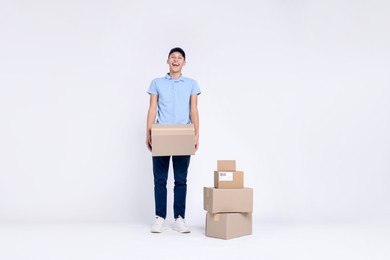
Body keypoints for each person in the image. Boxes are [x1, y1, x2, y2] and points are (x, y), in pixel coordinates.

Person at [146, 47, 201, 233]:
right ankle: (160, 217)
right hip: (161, 132)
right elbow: (152, 108)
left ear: (184, 62)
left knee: (180, 179)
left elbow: (194, 109)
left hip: (184, 133)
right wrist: (148, 132)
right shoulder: (156, 83)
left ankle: (179, 218)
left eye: (180, 58)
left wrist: (196, 133)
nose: (176, 60)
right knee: (160, 180)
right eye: (173, 57)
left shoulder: (192, 84)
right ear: (167, 61)